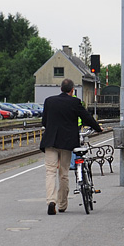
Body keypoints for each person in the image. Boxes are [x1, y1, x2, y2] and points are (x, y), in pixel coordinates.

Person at [40, 78, 103, 215]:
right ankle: (62, 204)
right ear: (72, 90)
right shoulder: (75, 102)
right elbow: (86, 117)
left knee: (50, 172)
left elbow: (44, 121)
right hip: (67, 143)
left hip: (50, 141)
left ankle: (51, 201)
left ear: (61, 88)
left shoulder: (49, 101)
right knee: (63, 173)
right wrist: (98, 128)